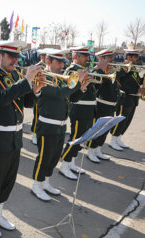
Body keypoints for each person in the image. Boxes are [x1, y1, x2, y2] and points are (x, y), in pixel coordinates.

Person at [0, 40, 45, 238]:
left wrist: (36, 89)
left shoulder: (15, 75)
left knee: (8, 180)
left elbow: (27, 103)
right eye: (11, 57)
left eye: (17, 57)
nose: (15, 61)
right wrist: (25, 81)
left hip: (15, 137)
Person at [31, 49, 88, 201]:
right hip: (47, 125)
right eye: (59, 62)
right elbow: (58, 94)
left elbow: (71, 98)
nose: (62, 65)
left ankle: (46, 182)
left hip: (61, 125)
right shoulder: (42, 77)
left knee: (54, 158)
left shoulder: (62, 79)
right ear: (48, 62)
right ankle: (36, 185)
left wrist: (81, 88)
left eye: (63, 62)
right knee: (44, 157)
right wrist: (77, 84)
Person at [59, 46, 97, 180]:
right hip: (79, 108)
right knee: (75, 138)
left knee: (82, 139)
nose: (88, 58)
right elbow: (71, 90)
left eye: (87, 56)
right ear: (76, 56)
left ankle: (72, 162)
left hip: (89, 108)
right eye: (85, 56)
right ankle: (64, 164)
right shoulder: (72, 70)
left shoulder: (85, 69)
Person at [88, 48, 124, 162]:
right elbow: (96, 82)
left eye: (112, 57)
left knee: (105, 130)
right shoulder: (95, 71)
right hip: (101, 105)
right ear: (102, 59)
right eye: (109, 58)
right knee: (97, 130)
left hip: (111, 105)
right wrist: (101, 70)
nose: (112, 60)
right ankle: (91, 150)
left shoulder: (112, 72)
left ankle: (98, 149)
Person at [109, 48, 145, 150]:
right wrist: (137, 90)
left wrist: (143, 79)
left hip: (133, 98)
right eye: (135, 57)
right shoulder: (123, 68)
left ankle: (119, 138)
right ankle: (113, 140)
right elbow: (121, 85)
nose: (137, 59)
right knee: (120, 120)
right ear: (128, 57)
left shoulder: (134, 68)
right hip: (125, 98)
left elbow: (135, 81)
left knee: (127, 121)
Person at [30, 48, 47, 145]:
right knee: (36, 115)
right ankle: (34, 134)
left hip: (45, 95)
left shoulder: (48, 67)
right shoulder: (37, 67)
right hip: (38, 93)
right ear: (42, 57)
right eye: (46, 56)